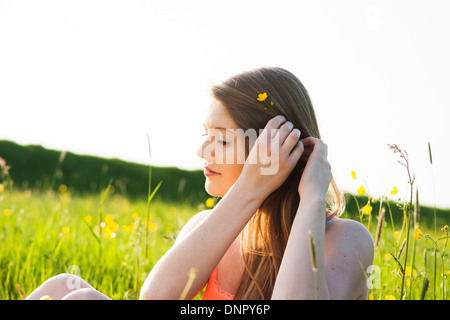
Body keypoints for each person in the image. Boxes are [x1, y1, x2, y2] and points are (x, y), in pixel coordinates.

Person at [26, 67, 374, 300]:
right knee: (63, 289)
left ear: (275, 150)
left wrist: (312, 197)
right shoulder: (207, 228)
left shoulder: (344, 240)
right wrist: (249, 191)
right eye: (205, 135)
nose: (202, 151)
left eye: (221, 140)